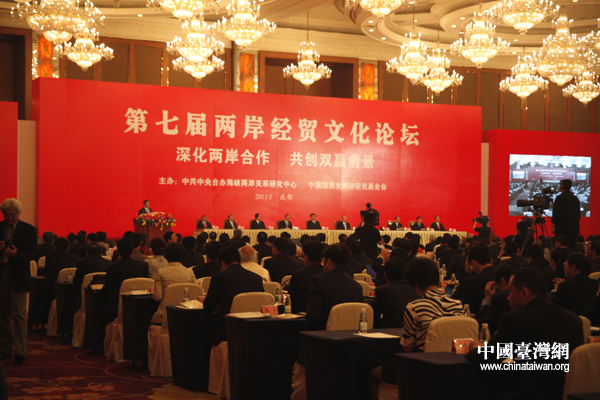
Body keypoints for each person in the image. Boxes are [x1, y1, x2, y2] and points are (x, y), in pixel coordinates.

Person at [466, 267, 584, 400]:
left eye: (510, 291)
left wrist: (476, 348)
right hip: (568, 394)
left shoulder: (515, 319)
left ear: (524, 292)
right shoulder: (573, 319)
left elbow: (488, 356)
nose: (508, 297)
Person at [369, 258, 463, 399]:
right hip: (454, 369)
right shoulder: (457, 305)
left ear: (414, 284)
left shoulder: (415, 307)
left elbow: (408, 348)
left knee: (373, 374)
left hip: (422, 368)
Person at [0, 198, 37, 364]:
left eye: (12, 215)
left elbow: (33, 254)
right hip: (2, 274)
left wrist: (17, 254)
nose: (9, 218)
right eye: (6, 215)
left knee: (19, 315)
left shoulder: (28, 229)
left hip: (19, 276)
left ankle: (20, 351)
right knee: (3, 314)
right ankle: (6, 348)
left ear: (18, 213)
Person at [203, 246, 264, 345]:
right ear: (239, 261)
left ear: (222, 263)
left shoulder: (218, 277)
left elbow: (208, 306)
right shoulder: (257, 278)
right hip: (254, 329)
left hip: (227, 330)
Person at [305, 244, 363, 331]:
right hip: (351, 335)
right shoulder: (356, 285)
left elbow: (314, 315)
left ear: (329, 262)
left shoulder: (318, 280)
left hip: (323, 334)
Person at [101, 238, 149, 323]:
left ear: (118, 252)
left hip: (117, 309)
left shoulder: (112, 267)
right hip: (140, 308)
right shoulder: (143, 266)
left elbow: (107, 289)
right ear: (133, 251)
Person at [150, 243, 196, 324]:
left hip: (164, 315)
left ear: (167, 255)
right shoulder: (190, 272)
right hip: (185, 315)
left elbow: (157, 297)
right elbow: (194, 294)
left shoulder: (161, 272)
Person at [371, 259, 419, 328]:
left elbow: (372, 313)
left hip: (391, 331)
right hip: (415, 330)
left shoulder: (383, 290)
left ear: (385, 275)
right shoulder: (416, 288)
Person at [452, 243, 496, 316]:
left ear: (473, 263)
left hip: (480, 319)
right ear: (491, 260)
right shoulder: (501, 275)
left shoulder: (473, 281)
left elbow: (463, 307)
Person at [289, 241, 324, 314]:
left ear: (306, 257)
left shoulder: (298, 275)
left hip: (302, 315)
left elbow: (293, 299)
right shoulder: (326, 273)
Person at [72, 243, 111, 310]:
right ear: (101, 254)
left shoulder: (81, 262)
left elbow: (77, 281)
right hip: (105, 297)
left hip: (85, 296)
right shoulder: (109, 263)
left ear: (87, 254)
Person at [476, 264, 512, 334]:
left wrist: (487, 298)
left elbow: (483, 324)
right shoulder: (523, 296)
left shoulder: (499, 297)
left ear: (502, 281)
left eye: (497, 285)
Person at [551, 179, 581, 252]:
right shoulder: (575, 198)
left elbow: (556, 214)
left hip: (562, 229)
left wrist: (554, 225)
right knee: (573, 249)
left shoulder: (559, 198)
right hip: (573, 229)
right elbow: (578, 215)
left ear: (562, 186)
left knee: (560, 250)